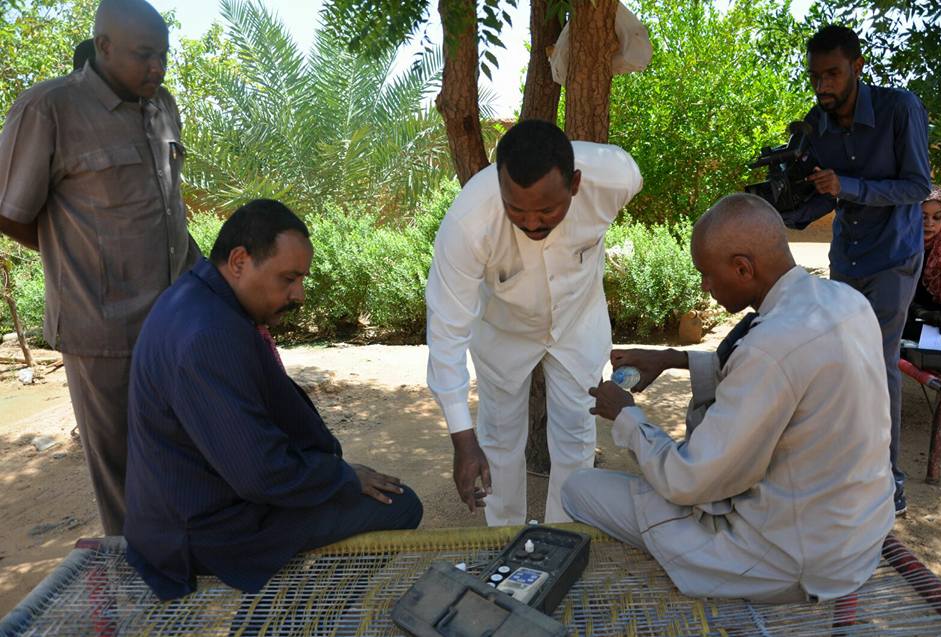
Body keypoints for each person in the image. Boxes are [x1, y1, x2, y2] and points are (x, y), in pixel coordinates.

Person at [563, 193, 894, 602]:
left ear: (742, 268)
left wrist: (628, 416)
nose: (705, 286)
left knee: (579, 489)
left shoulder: (769, 348)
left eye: (707, 274)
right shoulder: (846, 301)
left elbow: (688, 480)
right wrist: (673, 358)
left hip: (794, 563)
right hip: (858, 540)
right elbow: (776, 374)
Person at [124, 199, 423, 600]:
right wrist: (341, 476)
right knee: (400, 506)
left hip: (199, 505)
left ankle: (285, 612)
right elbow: (261, 474)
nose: (299, 294)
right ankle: (293, 621)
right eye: (288, 279)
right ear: (239, 261)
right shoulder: (208, 337)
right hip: (204, 530)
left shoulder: (194, 297)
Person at [0, 0, 199, 535]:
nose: (157, 67)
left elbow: (169, 208)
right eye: (144, 54)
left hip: (173, 320)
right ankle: (136, 570)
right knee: (124, 475)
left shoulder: (162, 106)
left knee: (182, 452)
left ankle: (185, 558)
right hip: (101, 329)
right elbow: (10, 211)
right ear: (104, 47)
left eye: (163, 55)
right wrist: (81, 254)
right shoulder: (49, 109)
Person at [426, 119, 642, 526]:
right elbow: (446, 331)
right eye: (516, 210)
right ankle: (505, 538)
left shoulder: (616, 177)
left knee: (576, 433)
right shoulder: (468, 224)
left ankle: (564, 536)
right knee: (498, 438)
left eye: (547, 210)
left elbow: (626, 175)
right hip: (502, 331)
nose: (531, 223)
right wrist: (461, 438)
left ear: (575, 184)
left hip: (578, 322)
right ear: (499, 188)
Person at [780, 25, 931, 516]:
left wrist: (849, 186)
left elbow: (917, 186)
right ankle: (845, 466)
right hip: (847, 256)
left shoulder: (899, 109)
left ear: (857, 67)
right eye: (815, 76)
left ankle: (888, 478)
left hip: (894, 256)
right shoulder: (814, 125)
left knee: (877, 361)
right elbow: (822, 196)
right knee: (842, 361)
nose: (822, 85)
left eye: (833, 74)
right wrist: (781, 209)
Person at [903, 186, 941, 341]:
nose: (929, 223)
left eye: (937, 217)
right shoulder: (901, 249)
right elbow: (893, 295)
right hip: (909, 328)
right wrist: (922, 313)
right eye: (923, 216)